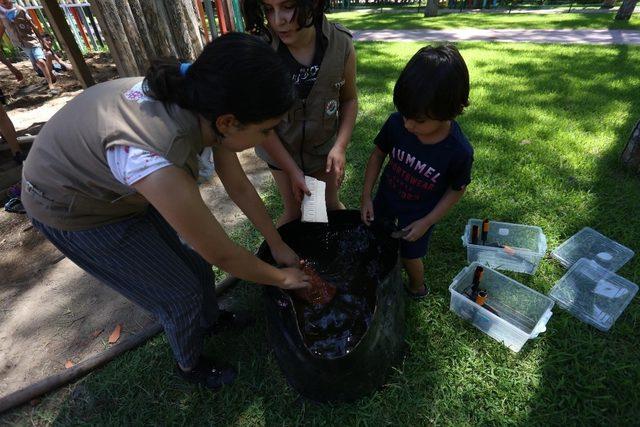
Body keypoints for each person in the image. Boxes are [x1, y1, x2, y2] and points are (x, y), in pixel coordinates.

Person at [21, 33, 310, 390]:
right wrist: (284, 279)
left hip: (116, 184)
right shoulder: (158, 158)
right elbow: (220, 252)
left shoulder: (204, 102)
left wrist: (277, 244)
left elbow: (238, 186)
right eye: (265, 129)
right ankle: (190, 364)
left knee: (194, 266)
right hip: (73, 206)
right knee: (179, 293)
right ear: (228, 123)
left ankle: (210, 319)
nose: (268, 135)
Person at [360, 45, 474, 299]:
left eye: (419, 121)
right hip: (385, 202)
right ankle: (377, 277)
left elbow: (457, 189)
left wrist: (427, 222)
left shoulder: (458, 151)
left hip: (418, 216)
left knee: (411, 256)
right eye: (405, 115)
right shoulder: (396, 124)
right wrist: (367, 196)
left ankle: (417, 288)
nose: (409, 125)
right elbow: (378, 154)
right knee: (376, 242)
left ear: (450, 111)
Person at [243, 0, 358, 226]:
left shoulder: (341, 44)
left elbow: (349, 99)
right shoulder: (261, 51)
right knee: (295, 212)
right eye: (268, 9)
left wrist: (340, 146)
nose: (278, 20)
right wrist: (292, 170)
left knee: (328, 207)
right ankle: (280, 259)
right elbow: (261, 125)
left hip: (323, 152)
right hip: (281, 151)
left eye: (287, 6)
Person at [0, 0, 56, 92]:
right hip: (21, 44)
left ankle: (50, 85)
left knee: (40, 61)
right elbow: (2, 27)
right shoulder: (2, 15)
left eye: (7, 2)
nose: (6, 4)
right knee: (37, 66)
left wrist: (43, 41)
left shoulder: (20, 10)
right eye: (3, 3)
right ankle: (50, 76)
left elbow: (33, 26)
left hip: (32, 40)